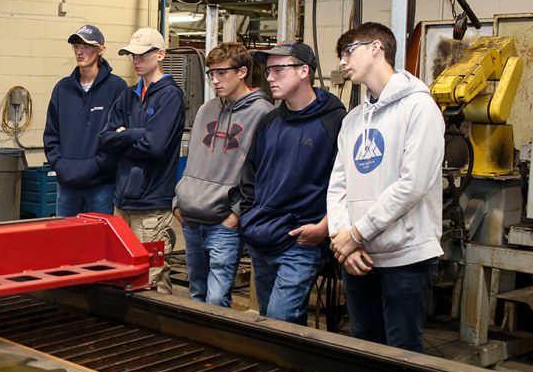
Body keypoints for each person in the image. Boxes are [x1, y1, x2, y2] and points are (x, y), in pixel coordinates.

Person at [327, 22, 444, 352]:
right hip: (357, 257)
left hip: (405, 258)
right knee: (365, 350)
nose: (342, 63)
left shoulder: (420, 108)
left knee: (401, 354)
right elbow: (338, 185)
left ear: (376, 48)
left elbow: (413, 184)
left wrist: (357, 233)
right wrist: (342, 239)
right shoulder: (352, 121)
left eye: (348, 52)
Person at [240, 41, 346, 325]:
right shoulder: (268, 121)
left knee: (279, 317)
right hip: (262, 237)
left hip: (302, 240)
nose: (269, 77)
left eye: (278, 69)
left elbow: (346, 182)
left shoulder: (335, 121)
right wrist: (248, 218)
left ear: (303, 71)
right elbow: (250, 176)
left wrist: (325, 227)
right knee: (273, 321)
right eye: (267, 70)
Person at [174, 42, 273, 307]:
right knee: (196, 293)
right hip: (191, 217)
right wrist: (178, 202)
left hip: (223, 222)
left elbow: (261, 173)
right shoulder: (206, 110)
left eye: (221, 73)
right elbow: (192, 161)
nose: (215, 81)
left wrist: (236, 214)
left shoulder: (263, 114)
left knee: (217, 298)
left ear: (242, 71)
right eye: (211, 74)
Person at [98, 27, 185, 294]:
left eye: (142, 54)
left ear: (160, 54)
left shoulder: (170, 97)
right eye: (132, 55)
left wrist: (128, 134)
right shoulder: (128, 95)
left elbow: (155, 146)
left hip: (151, 204)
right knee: (125, 272)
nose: (136, 60)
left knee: (152, 276)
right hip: (123, 200)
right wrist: (136, 137)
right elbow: (105, 139)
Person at [43, 24, 126, 216]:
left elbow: (119, 137)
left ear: (101, 50)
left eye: (86, 46)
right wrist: (61, 166)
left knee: (99, 241)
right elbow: (51, 134)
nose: (80, 51)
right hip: (67, 185)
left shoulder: (117, 88)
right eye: (76, 46)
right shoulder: (62, 89)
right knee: (65, 242)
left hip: (101, 185)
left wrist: (98, 166)